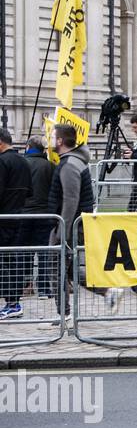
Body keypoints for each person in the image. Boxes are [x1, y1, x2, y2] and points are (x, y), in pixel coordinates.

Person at [47, 124, 94, 317]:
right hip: (70, 225)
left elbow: (70, 200)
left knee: (56, 269)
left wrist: (62, 233)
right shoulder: (70, 162)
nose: (48, 138)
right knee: (70, 270)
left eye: (52, 135)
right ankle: (108, 292)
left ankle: (64, 314)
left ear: (60, 141)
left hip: (68, 226)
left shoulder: (69, 165)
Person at [0, 128, 32, 319]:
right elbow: (30, 191)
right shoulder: (23, 160)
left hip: (4, 217)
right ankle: (14, 301)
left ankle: (12, 303)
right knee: (15, 261)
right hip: (20, 215)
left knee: (5, 262)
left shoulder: (3, 162)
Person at [19, 137, 56, 302]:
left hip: (23, 213)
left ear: (28, 147)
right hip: (44, 213)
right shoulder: (50, 166)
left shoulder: (21, 163)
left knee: (23, 252)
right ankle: (44, 288)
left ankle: (26, 285)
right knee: (43, 253)